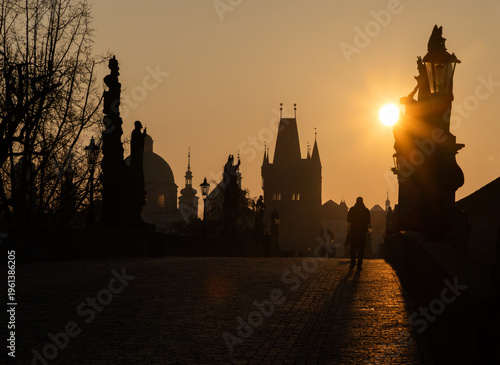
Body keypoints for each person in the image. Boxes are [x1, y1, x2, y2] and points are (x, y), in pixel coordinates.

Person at [347, 197, 371, 270]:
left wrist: (355, 221)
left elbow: (348, 219)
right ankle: (359, 264)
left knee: (353, 248)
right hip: (362, 231)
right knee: (361, 249)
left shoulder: (352, 209)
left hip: (354, 230)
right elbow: (368, 221)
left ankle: (353, 262)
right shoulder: (366, 210)